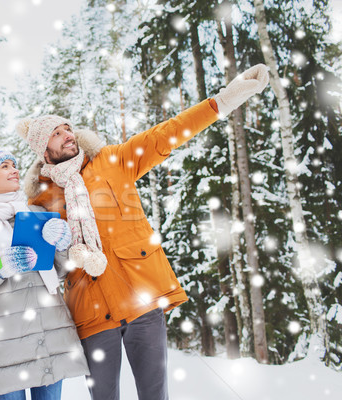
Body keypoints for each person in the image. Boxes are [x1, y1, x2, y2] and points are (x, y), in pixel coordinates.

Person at [17, 64, 271, 399]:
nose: (68, 134)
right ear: (42, 148)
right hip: (91, 312)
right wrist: (65, 254)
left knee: (155, 394)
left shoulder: (111, 161)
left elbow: (166, 134)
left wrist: (222, 101)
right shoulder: (40, 199)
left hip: (141, 297)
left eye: (68, 128)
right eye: (57, 133)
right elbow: (41, 265)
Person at [0, 149, 89, 400]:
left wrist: (61, 245)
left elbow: (59, 272)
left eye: (14, 165)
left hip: (49, 330)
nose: (15, 170)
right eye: (5, 166)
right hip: (6, 339)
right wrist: (1, 270)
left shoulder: (37, 215)